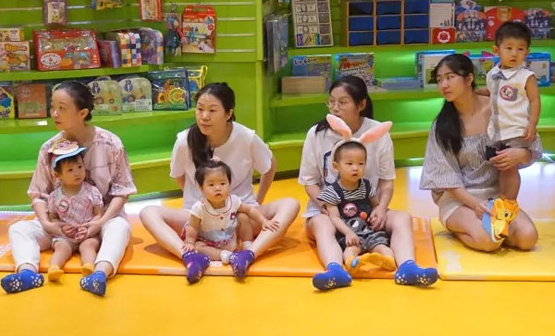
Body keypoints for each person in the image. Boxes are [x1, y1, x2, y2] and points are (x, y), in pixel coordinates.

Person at [139, 83, 300, 280]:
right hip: (198, 221)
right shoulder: (184, 140)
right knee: (148, 212)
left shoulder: (246, 137)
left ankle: (248, 254)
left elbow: (270, 165)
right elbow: (178, 175)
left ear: (228, 113)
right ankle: (190, 256)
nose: (204, 116)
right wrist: (200, 201)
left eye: (212, 110)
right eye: (200, 109)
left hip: (239, 218)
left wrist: (257, 201)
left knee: (290, 204)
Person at [300, 76, 439, 290]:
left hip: (366, 212)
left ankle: (407, 268)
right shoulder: (317, 134)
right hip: (328, 212)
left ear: (361, 104)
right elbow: (309, 182)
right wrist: (325, 207)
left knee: (402, 217)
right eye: (331, 102)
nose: (335, 108)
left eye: (342, 102)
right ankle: (335, 271)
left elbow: (386, 181)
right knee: (321, 224)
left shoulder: (378, 133)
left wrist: (381, 209)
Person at [1, 81, 136, 297]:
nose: (54, 113)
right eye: (53, 106)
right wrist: (49, 224)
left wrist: (99, 222)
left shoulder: (110, 143)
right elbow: (38, 194)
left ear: (82, 113)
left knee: (120, 227)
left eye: (62, 108)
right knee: (18, 229)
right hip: (61, 225)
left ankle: (99, 274)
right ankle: (27, 273)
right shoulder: (49, 148)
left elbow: (122, 191)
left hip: (100, 221)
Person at [420, 54, 542, 252]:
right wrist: (475, 204)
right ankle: (458, 228)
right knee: (489, 240)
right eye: (439, 80)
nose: (444, 85)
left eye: (450, 77)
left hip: (498, 197)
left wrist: (521, 154)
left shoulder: (499, 110)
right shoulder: (442, 125)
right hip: (460, 200)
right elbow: (446, 178)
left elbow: (530, 144)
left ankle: (491, 227)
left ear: (469, 79)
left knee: (527, 238)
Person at [314, 122, 397, 290]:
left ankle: (388, 260)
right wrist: (348, 232)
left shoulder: (367, 186)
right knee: (350, 250)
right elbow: (334, 217)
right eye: (349, 164)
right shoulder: (332, 192)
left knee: (381, 246)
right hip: (349, 234)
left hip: (369, 230)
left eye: (361, 164)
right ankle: (352, 263)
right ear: (336, 166)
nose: (355, 168)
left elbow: (375, 205)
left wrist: (377, 215)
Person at [181, 160, 280, 283]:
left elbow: (250, 210)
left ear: (229, 184)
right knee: (198, 247)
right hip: (209, 243)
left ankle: (247, 247)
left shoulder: (233, 201)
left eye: (222, 183)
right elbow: (192, 227)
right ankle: (227, 256)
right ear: (202, 188)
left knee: (243, 216)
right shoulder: (199, 207)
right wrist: (189, 242)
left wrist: (264, 221)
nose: (218, 188)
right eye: (211, 185)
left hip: (229, 239)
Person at [478, 20, 540, 203]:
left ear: (527, 53)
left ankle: (509, 202)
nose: (514, 53)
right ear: (496, 50)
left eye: (520, 49)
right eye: (509, 48)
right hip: (497, 131)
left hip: (516, 129)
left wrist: (532, 124)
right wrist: (473, 91)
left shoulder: (526, 76)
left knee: (509, 167)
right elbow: (491, 92)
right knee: (501, 167)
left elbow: (535, 100)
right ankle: (502, 199)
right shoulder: (492, 74)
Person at [44, 146, 106, 285]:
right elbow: (53, 218)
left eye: (80, 167)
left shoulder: (91, 191)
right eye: (70, 170)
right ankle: (54, 268)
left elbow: (98, 214)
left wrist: (89, 228)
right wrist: (62, 228)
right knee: (61, 248)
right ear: (58, 175)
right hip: (66, 236)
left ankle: (89, 267)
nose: (77, 173)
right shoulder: (54, 196)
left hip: (87, 233)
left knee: (89, 246)